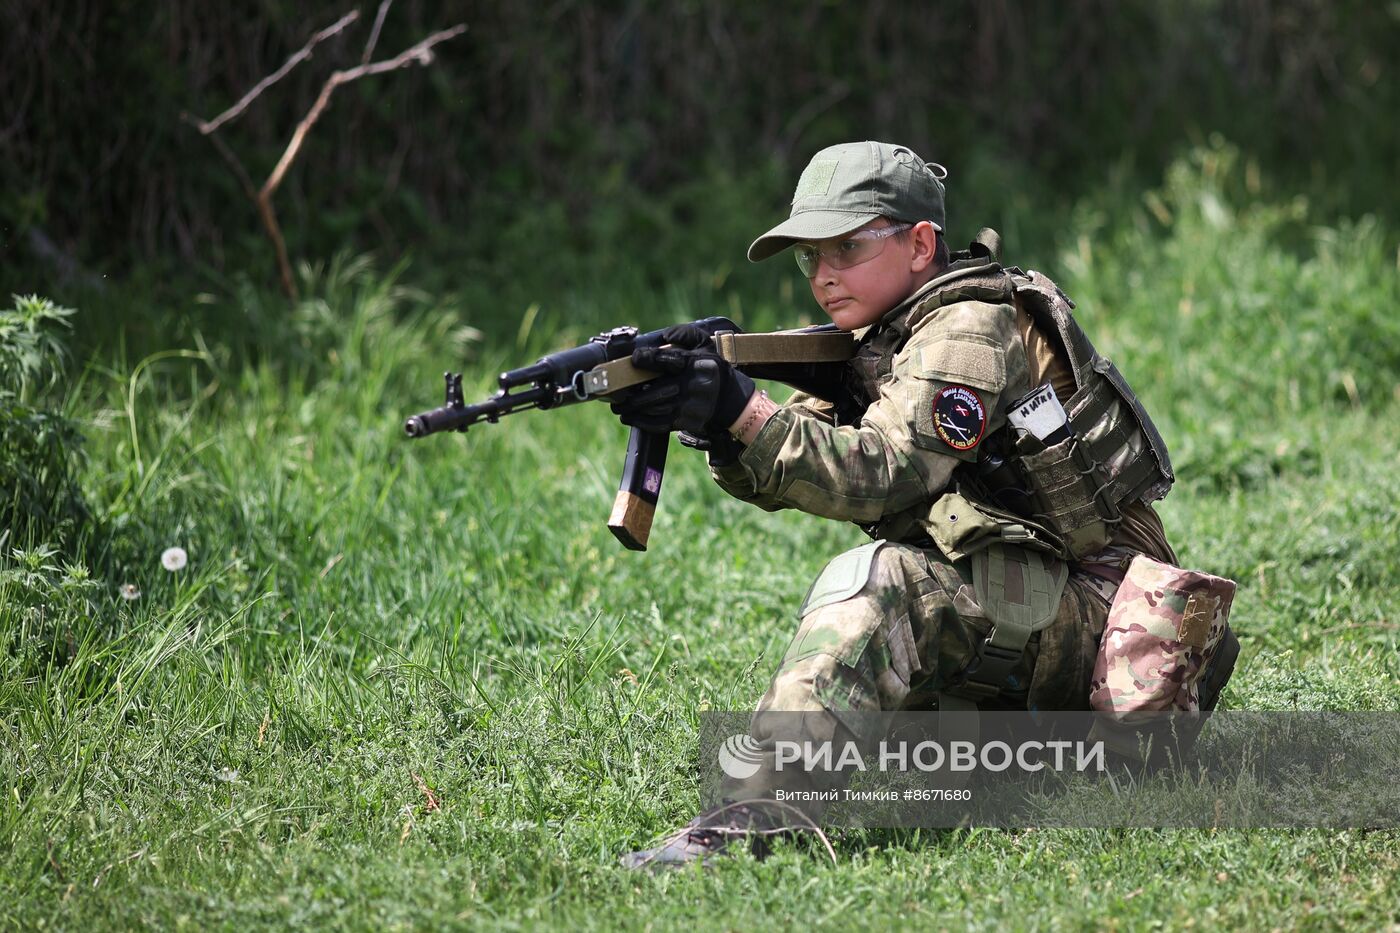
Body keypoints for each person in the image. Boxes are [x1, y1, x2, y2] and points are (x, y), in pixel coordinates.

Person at [612, 140, 1186, 869]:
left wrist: (742, 412)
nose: (822, 275)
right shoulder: (883, 335)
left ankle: (753, 818)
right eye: (809, 257)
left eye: (846, 247)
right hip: (1024, 587)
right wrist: (717, 417)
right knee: (888, 592)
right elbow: (799, 459)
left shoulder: (967, 331)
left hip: (1105, 616)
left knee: (880, 580)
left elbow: (879, 473)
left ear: (920, 245)